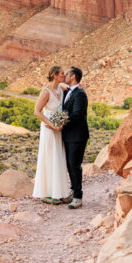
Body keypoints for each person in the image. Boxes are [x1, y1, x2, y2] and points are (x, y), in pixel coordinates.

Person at [31, 66, 69, 203]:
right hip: (49, 129)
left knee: (57, 158)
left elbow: (70, 89)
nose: (64, 75)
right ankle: (46, 193)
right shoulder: (46, 92)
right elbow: (37, 111)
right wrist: (52, 124)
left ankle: (58, 192)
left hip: (59, 130)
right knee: (48, 158)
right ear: (55, 75)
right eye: (62, 73)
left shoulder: (61, 89)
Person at [60, 66, 89, 209]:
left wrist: (59, 122)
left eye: (67, 74)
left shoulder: (80, 94)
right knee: (69, 165)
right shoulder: (69, 92)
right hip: (68, 135)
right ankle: (73, 190)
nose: (65, 75)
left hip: (77, 136)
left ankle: (78, 197)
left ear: (73, 77)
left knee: (75, 165)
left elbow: (77, 115)